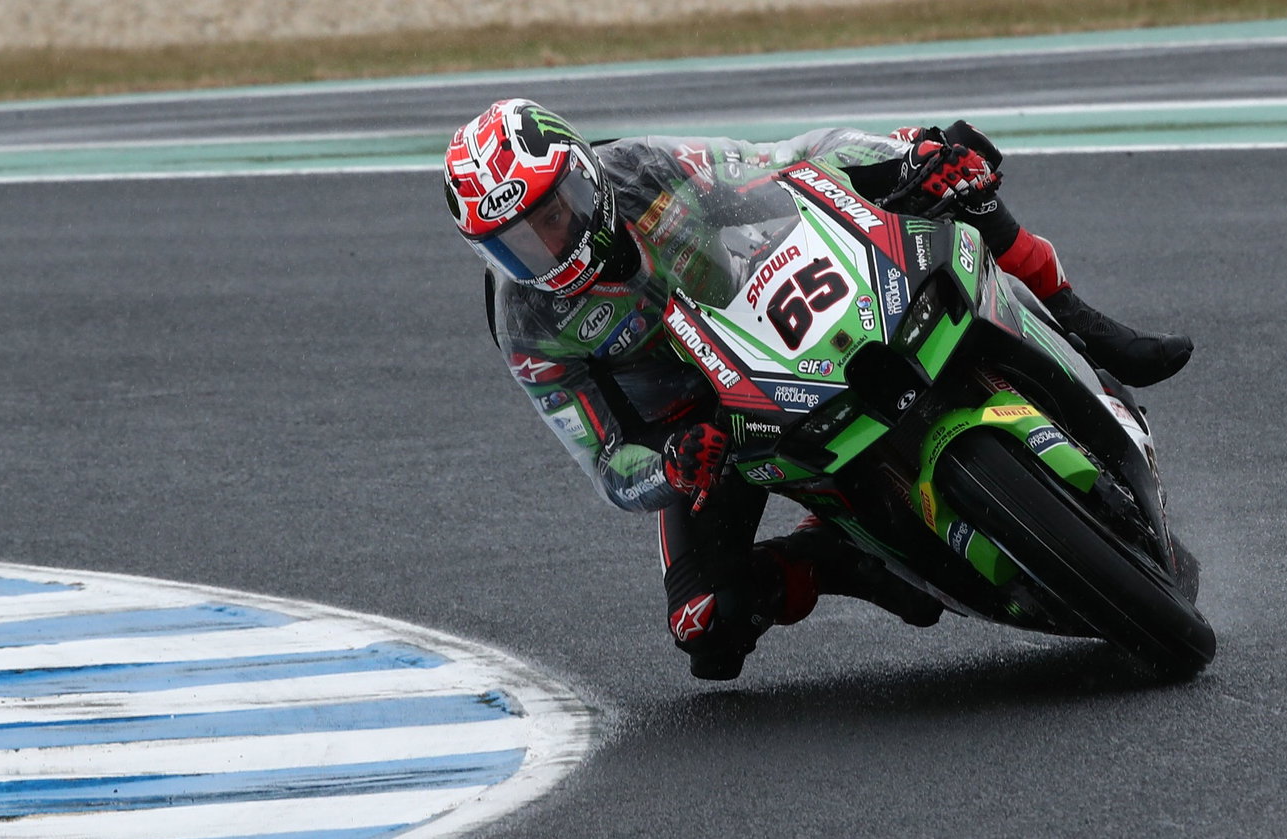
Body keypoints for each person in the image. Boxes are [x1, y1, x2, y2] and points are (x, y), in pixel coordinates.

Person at [443, 98, 1194, 680]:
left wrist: (902, 158)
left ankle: (1080, 324)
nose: (546, 246)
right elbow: (607, 461)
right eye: (514, 243)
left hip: (767, 309)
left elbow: (785, 162)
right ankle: (836, 552)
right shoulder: (529, 324)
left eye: (551, 214)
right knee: (707, 627)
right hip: (708, 423)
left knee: (952, 162)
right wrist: (671, 462)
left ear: (581, 175)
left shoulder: (640, 170)